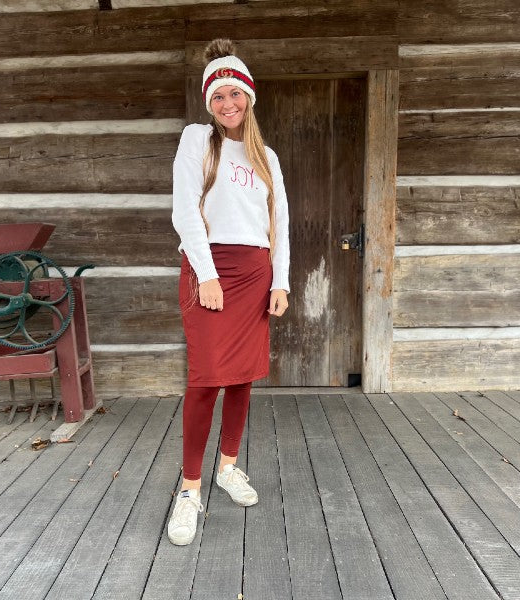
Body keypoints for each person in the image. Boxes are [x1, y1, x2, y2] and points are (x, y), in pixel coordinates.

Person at [167, 38, 290, 546]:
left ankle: (228, 466)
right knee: (205, 378)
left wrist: (280, 279)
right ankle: (190, 489)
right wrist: (208, 273)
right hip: (210, 268)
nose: (228, 104)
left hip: (256, 270)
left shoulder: (267, 157)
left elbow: (279, 221)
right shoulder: (198, 140)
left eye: (236, 95)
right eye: (219, 96)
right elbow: (184, 210)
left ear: (250, 98)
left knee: (241, 377)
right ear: (209, 102)